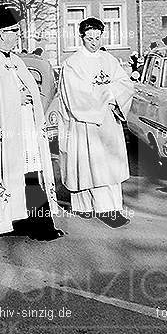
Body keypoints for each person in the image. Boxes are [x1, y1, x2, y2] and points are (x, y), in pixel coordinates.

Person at [0, 5, 63, 241]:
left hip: (26, 128)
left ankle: (40, 223)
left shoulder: (16, 61)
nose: (17, 36)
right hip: (5, 133)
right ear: (0, 34)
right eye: (14, 32)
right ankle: (7, 222)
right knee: (10, 175)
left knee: (32, 173)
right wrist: (15, 98)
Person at [57, 17, 134, 228]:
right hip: (85, 123)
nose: (94, 42)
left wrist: (113, 97)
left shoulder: (109, 59)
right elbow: (76, 95)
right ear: (81, 37)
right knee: (86, 164)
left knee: (106, 166)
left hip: (108, 122)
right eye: (90, 38)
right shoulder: (72, 63)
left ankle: (109, 209)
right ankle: (84, 206)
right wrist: (107, 94)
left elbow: (124, 84)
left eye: (98, 38)